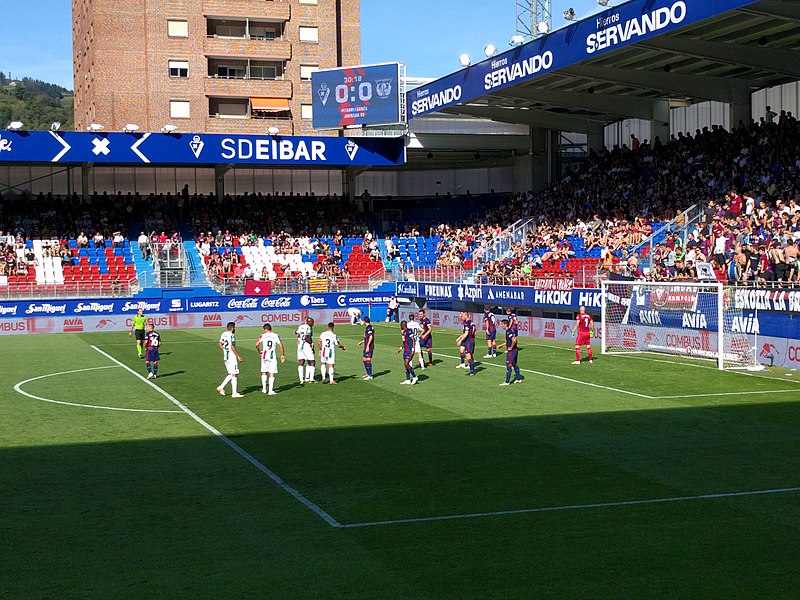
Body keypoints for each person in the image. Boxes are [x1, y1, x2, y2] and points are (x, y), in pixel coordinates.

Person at [256, 323, 284, 395]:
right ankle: (270, 391)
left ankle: (264, 389)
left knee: (264, 371)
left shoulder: (263, 335)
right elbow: (280, 345)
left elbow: (257, 344)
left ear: (265, 329)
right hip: (271, 356)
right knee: (272, 373)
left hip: (264, 355)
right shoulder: (275, 335)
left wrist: (259, 351)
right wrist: (282, 354)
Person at [217, 321, 244, 397]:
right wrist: (238, 356)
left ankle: (221, 387)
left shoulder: (224, 334)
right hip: (231, 357)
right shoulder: (231, 336)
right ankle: (234, 393)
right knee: (234, 374)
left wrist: (224, 350)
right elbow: (232, 347)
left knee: (232, 373)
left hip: (226, 356)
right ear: (232, 328)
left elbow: (220, 343)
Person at [498, 319, 522, 385]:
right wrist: (501, 345)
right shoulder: (509, 331)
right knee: (514, 364)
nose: (501, 326)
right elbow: (509, 341)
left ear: (505, 324)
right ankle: (518, 378)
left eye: (502, 324)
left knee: (509, 365)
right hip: (515, 350)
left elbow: (514, 340)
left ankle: (507, 382)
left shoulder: (509, 332)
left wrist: (511, 347)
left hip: (512, 351)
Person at [397, 320, 419, 385]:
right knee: (405, 365)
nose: (400, 326)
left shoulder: (409, 331)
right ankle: (408, 379)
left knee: (407, 364)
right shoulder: (403, 333)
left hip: (409, 350)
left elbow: (413, 340)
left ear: (403, 325)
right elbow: (404, 342)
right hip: (405, 350)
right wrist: (401, 348)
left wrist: (413, 349)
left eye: (401, 325)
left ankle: (415, 377)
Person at [455, 311, 477, 376]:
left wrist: (460, 341)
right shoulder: (471, 323)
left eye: (462, 316)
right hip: (469, 340)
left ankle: (472, 371)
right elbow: (474, 333)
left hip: (468, 341)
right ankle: (465, 365)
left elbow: (466, 333)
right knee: (463, 351)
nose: (461, 318)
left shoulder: (467, 323)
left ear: (465, 315)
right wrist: (459, 338)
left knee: (468, 356)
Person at [296, 316, 316, 383]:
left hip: (300, 346)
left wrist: (298, 339)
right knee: (312, 361)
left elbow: (296, 332)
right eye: (312, 322)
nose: (313, 324)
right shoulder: (308, 327)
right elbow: (307, 337)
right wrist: (311, 344)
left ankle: (302, 379)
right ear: (309, 322)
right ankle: (311, 379)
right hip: (306, 346)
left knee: (301, 361)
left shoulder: (300, 326)